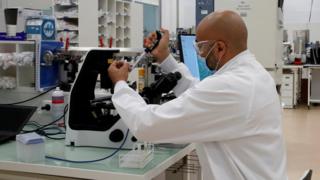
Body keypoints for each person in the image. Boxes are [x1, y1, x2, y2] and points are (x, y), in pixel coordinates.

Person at [108, 10, 287, 180]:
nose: (199, 54)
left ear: (220, 48)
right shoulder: (254, 74)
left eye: (200, 47)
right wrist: (164, 57)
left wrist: (121, 85)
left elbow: (147, 125)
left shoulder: (230, 86)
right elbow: (200, 94)